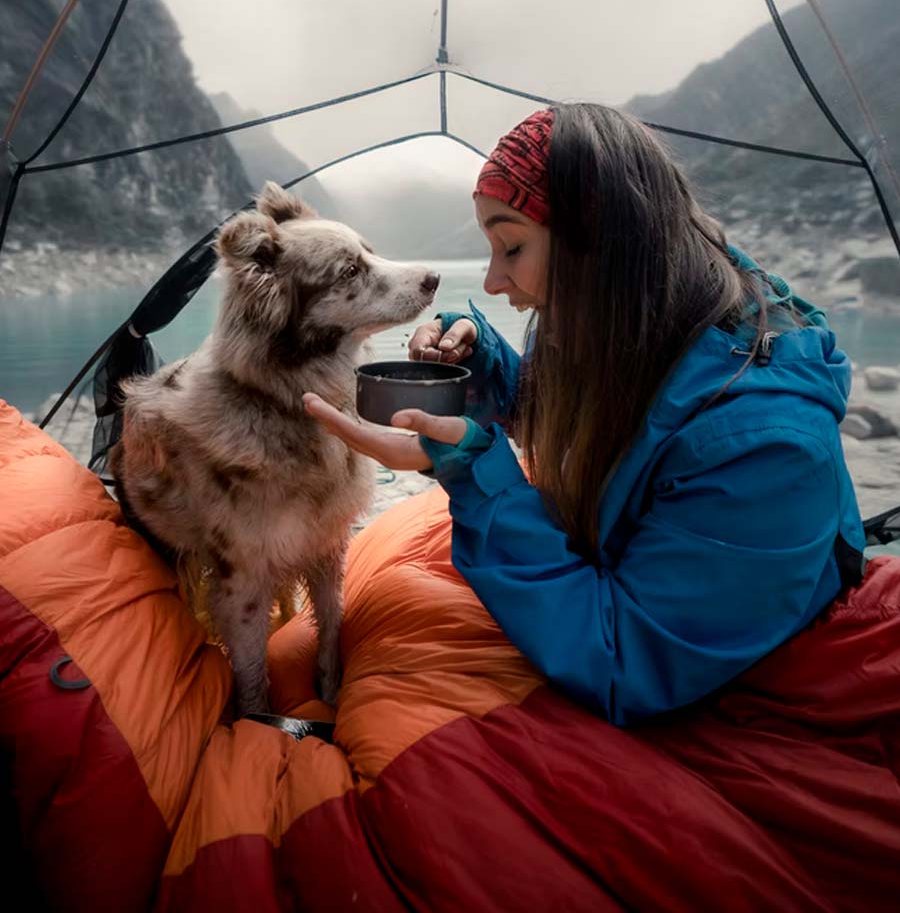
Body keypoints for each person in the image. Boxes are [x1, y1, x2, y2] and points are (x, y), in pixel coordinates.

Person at [302, 103, 865, 726]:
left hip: (694, 675)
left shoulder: (763, 448)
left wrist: (470, 472)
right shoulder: (622, 313)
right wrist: (483, 362)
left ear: (599, 239)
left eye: (511, 246)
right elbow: (591, 426)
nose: (492, 281)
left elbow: (627, 664)